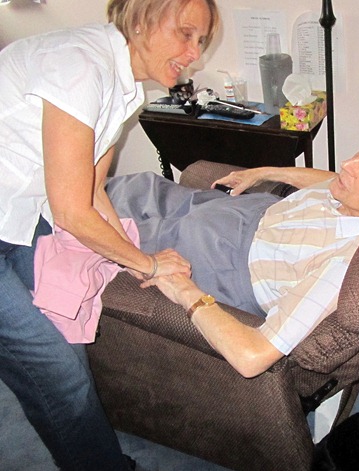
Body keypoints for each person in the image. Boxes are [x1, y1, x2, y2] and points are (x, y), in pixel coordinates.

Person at [0, 0, 219, 469]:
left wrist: (131, 254)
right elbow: (72, 210)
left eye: (200, 41)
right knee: (55, 370)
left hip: (15, 218)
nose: (194, 54)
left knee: (66, 338)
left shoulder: (125, 89)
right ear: (141, 19)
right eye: (185, 34)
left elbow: (93, 188)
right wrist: (148, 263)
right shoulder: (81, 67)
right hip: (13, 215)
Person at [106, 132, 359, 379]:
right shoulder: (354, 194)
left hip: (222, 260)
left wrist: (185, 291)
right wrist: (265, 172)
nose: (347, 164)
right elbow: (329, 179)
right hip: (243, 210)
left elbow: (252, 358)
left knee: (104, 231)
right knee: (138, 186)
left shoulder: (344, 264)